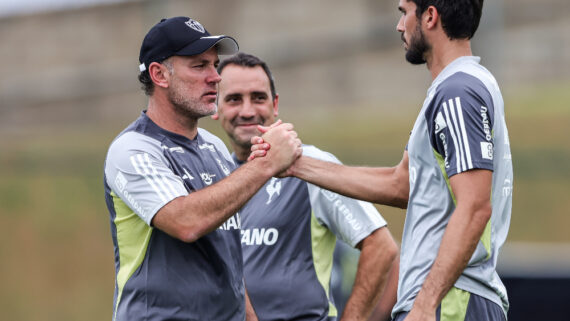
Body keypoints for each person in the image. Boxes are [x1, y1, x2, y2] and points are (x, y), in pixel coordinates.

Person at [251, 1, 513, 320]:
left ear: (430, 16)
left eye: (404, 13)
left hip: (451, 301)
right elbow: (401, 184)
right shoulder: (456, 89)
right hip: (450, 300)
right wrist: (295, 164)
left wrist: (425, 304)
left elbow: (474, 207)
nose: (399, 26)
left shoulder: (458, 91)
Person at [103, 17, 302, 321]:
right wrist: (266, 164)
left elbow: (228, 257)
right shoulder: (133, 149)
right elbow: (187, 221)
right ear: (159, 74)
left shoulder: (214, 146)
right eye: (200, 66)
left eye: (214, 64)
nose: (216, 77)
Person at [213, 52, 399, 321]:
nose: (247, 110)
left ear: (275, 104)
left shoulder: (311, 166)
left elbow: (382, 246)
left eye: (258, 97)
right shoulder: (213, 175)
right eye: (233, 99)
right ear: (215, 108)